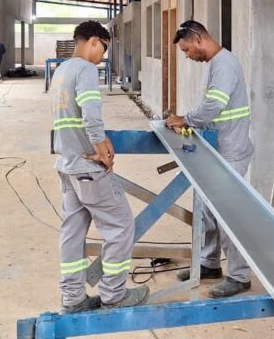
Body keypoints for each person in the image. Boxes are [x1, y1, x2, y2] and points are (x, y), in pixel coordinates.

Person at [51, 20, 149, 313]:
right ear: (94, 40)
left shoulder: (61, 71)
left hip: (67, 165)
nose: (102, 57)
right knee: (120, 225)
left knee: (72, 232)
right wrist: (100, 146)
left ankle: (73, 298)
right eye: (103, 50)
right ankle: (114, 295)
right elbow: (90, 113)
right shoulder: (85, 69)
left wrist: (98, 139)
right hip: (88, 167)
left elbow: (70, 118)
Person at [166, 20, 254, 299]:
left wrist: (187, 119)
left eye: (186, 50)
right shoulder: (214, 64)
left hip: (231, 151)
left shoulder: (225, 64)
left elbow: (214, 105)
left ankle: (239, 275)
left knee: (227, 214)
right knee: (206, 209)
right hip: (217, 148)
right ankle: (209, 264)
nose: (187, 55)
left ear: (198, 39)